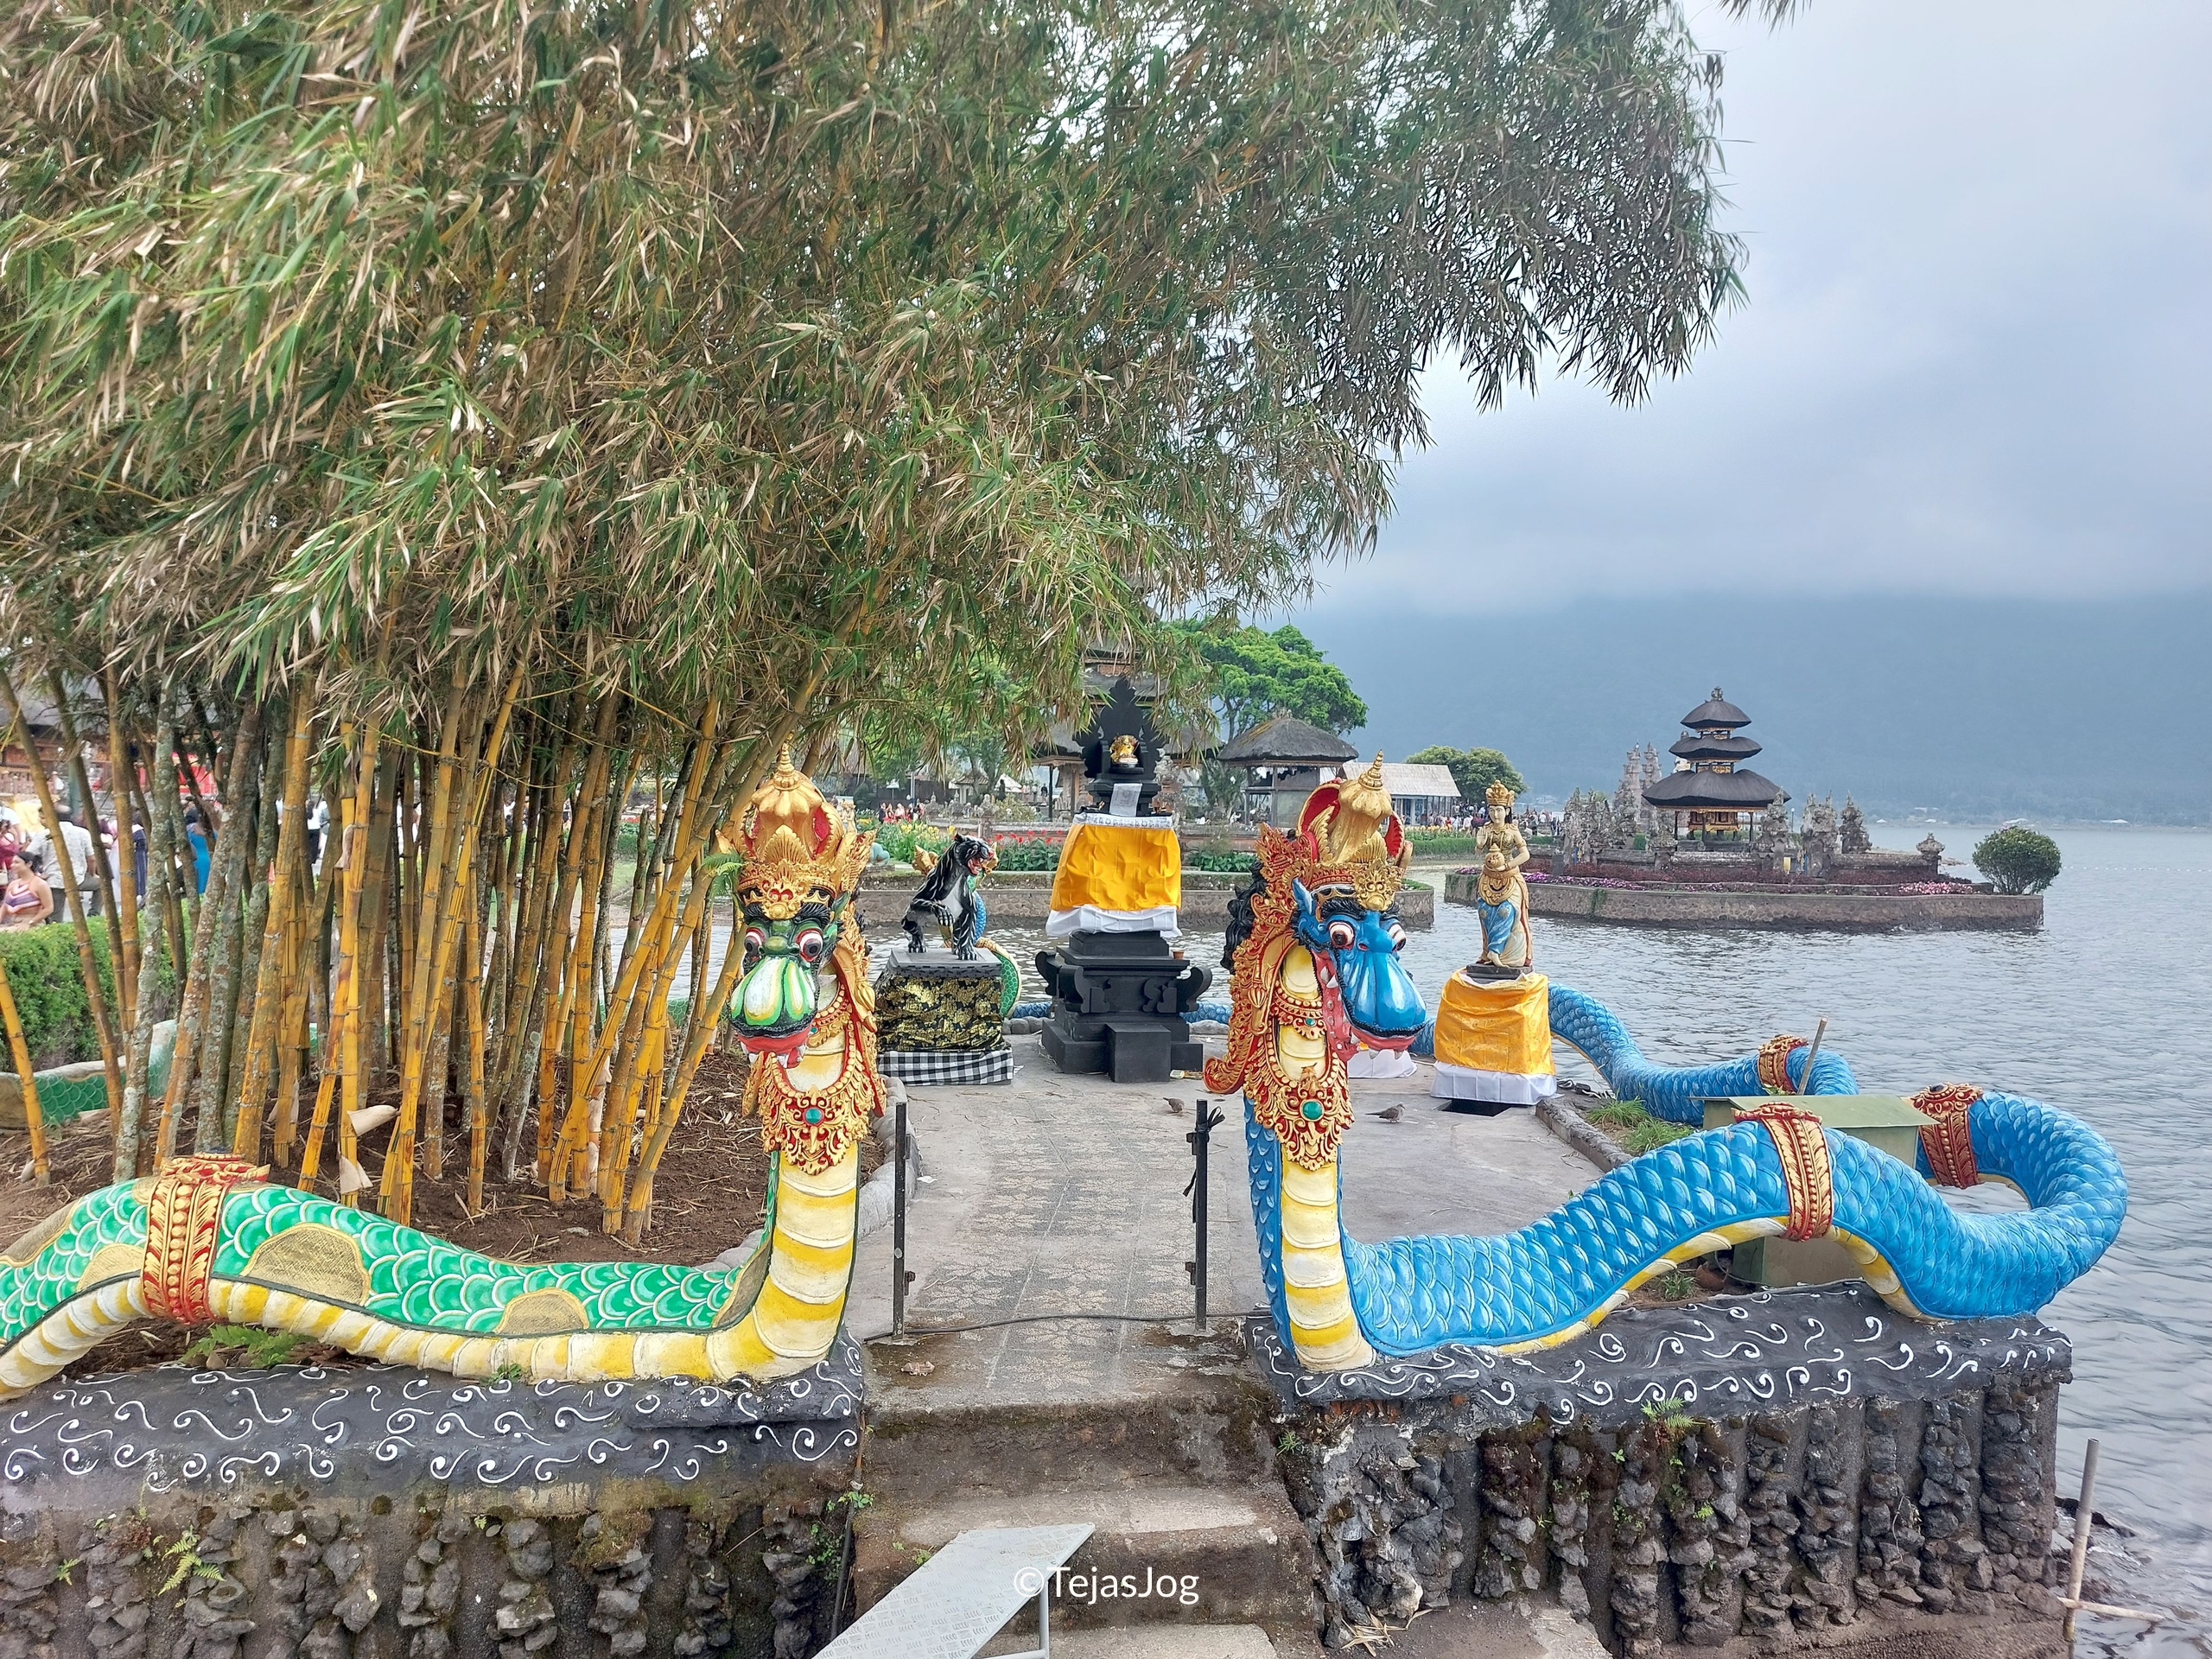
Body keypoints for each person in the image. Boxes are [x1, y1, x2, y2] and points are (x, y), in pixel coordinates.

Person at [1, 850, 53, 929]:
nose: (12, 865)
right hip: (13, 923)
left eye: (16, 862)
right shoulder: (13, 884)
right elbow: (4, 907)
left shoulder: (40, 884)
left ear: (29, 864)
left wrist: (30, 922)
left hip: (33, 924)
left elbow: (48, 908)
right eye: (12, 862)